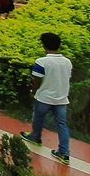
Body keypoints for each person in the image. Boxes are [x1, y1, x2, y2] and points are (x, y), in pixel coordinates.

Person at [21, 33, 72, 165]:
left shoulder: (41, 62)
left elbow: (37, 80)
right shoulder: (67, 62)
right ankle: (64, 153)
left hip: (44, 97)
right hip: (61, 99)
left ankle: (35, 137)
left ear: (44, 45)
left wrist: (32, 91)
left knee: (38, 118)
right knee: (62, 125)